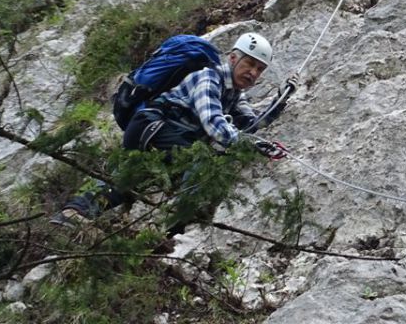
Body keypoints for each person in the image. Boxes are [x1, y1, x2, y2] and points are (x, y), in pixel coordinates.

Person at [51, 32, 295, 229]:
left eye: (259, 69)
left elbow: (250, 125)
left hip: (163, 132)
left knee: (131, 179)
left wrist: (281, 100)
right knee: (202, 162)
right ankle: (172, 228)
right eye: (250, 64)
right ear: (233, 58)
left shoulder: (234, 94)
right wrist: (247, 143)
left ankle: (74, 212)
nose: (253, 73)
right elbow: (213, 123)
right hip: (153, 126)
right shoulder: (208, 78)